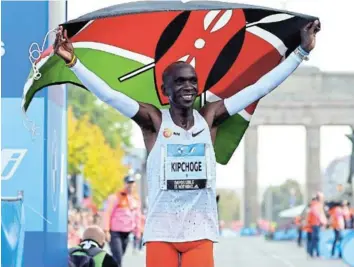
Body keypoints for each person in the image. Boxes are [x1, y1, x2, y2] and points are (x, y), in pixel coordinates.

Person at [54, 20, 320, 267]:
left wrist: (301, 52)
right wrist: (74, 62)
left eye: (193, 81)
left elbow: (260, 87)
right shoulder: (154, 121)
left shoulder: (211, 117)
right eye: (179, 81)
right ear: (164, 89)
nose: (188, 86)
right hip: (161, 233)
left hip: (200, 233)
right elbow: (110, 96)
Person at [103, 176, 142, 266]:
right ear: (124, 184)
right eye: (128, 184)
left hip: (127, 232)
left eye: (132, 184)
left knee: (120, 255)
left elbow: (137, 217)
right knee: (118, 257)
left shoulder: (135, 199)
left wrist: (138, 232)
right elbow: (107, 213)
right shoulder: (116, 197)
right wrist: (106, 231)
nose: (130, 186)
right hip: (115, 232)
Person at [308, 192, 327, 258]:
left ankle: (312, 252)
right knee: (315, 239)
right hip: (315, 224)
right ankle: (315, 253)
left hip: (315, 224)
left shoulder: (314, 204)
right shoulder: (317, 205)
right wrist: (324, 222)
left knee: (315, 239)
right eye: (322, 198)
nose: (323, 199)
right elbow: (319, 215)